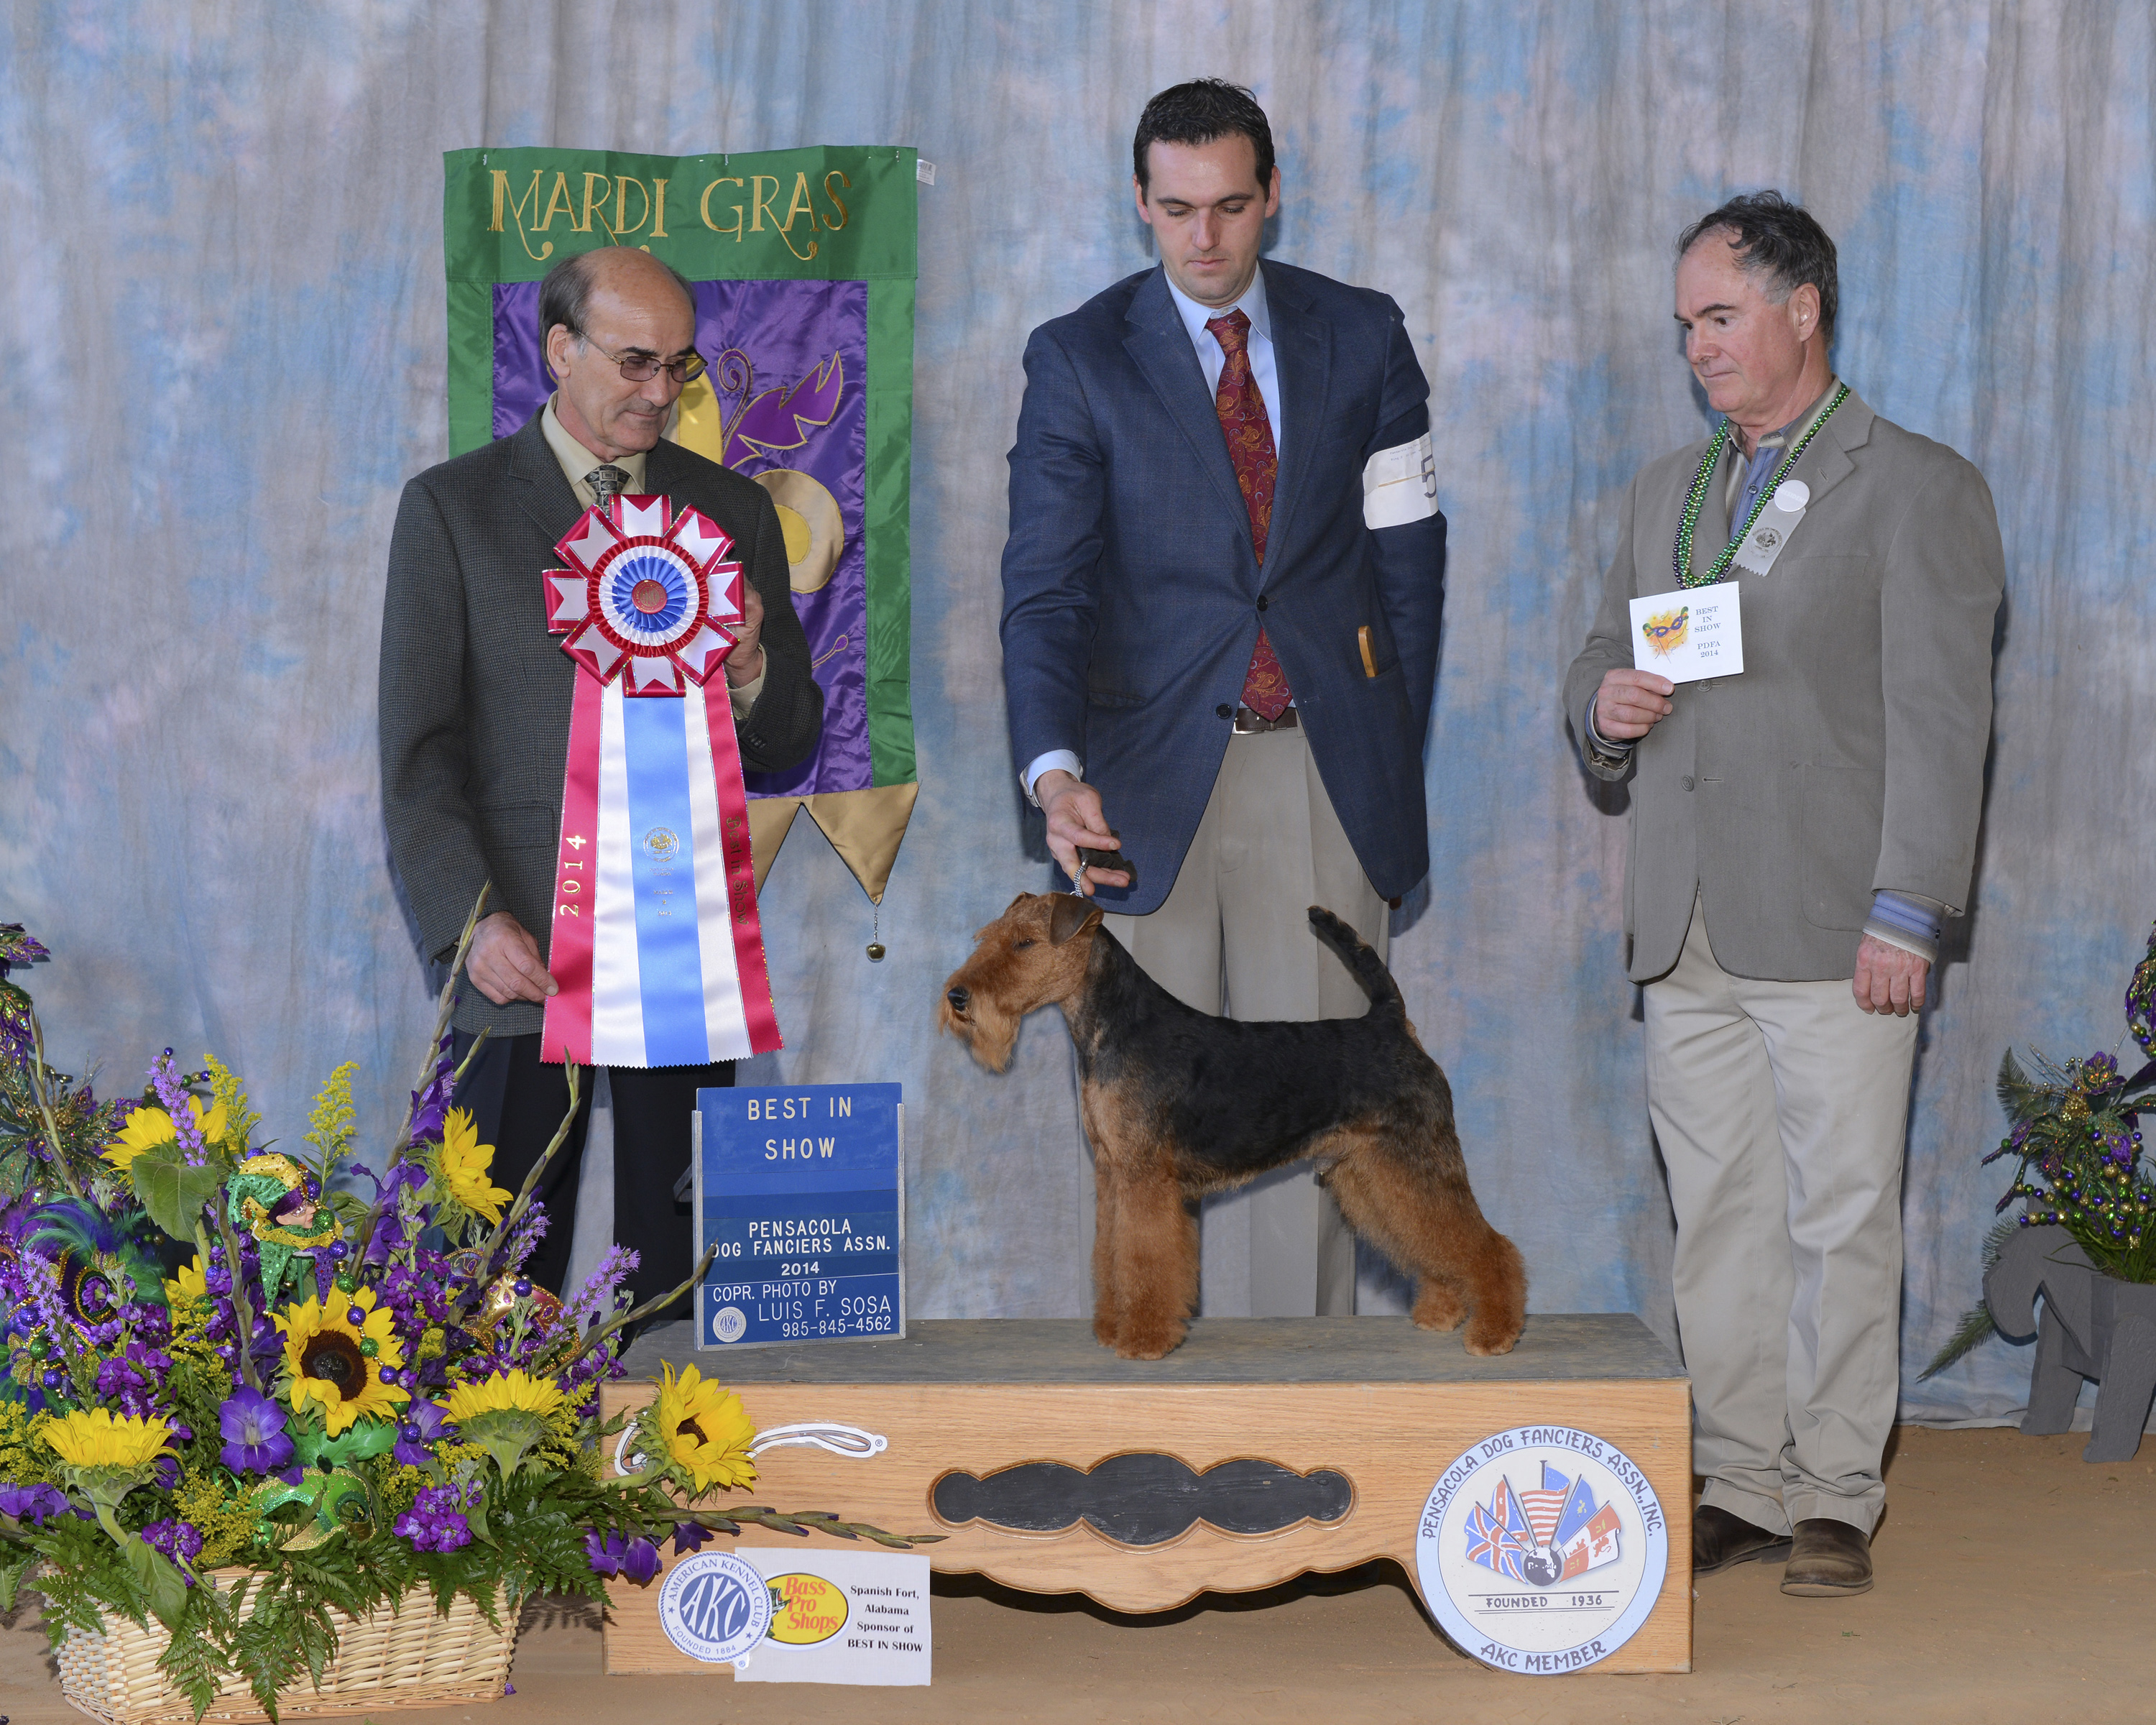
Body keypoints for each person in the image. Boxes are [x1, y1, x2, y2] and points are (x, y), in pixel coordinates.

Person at [1564, 193, 2003, 1596]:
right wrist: (1605, 708)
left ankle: (1834, 1493)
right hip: (1684, 918)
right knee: (1724, 1216)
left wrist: (1909, 910)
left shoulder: (1921, 487)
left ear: (1803, 308)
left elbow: (1944, 724)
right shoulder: (1664, 492)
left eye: (1720, 316)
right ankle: (1740, 1478)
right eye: (1686, 322)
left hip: (1837, 923)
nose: (1697, 346)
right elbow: (1591, 661)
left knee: (1840, 1216)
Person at [1000, 80, 1447, 1317]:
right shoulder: (1078, 357)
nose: (1206, 238)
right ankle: (1166, 1415)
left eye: (1233, 207)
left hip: (1323, 769)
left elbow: (1408, 562)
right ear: (1140, 203)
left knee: (1326, 1115)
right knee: (1152, 1130)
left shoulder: (1365, 336)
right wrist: (1052, 769)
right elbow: (1043, 591)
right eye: (1179, 208)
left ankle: (1301, 1428)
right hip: (1142, 786)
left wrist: (1380, 745)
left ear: (1273, 199)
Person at [379, 247, 821, 1310]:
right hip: (519, 957)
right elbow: (418, 754)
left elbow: (790, 744)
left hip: (679, 952)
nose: (660, 393)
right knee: (490, 1285)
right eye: (635, 363)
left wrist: (753, 662)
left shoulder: (733, 513)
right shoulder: (452, 510)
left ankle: (665, 1476)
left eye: (680, 368)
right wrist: (471, 921)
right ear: (559, 351)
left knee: (675, 1281)